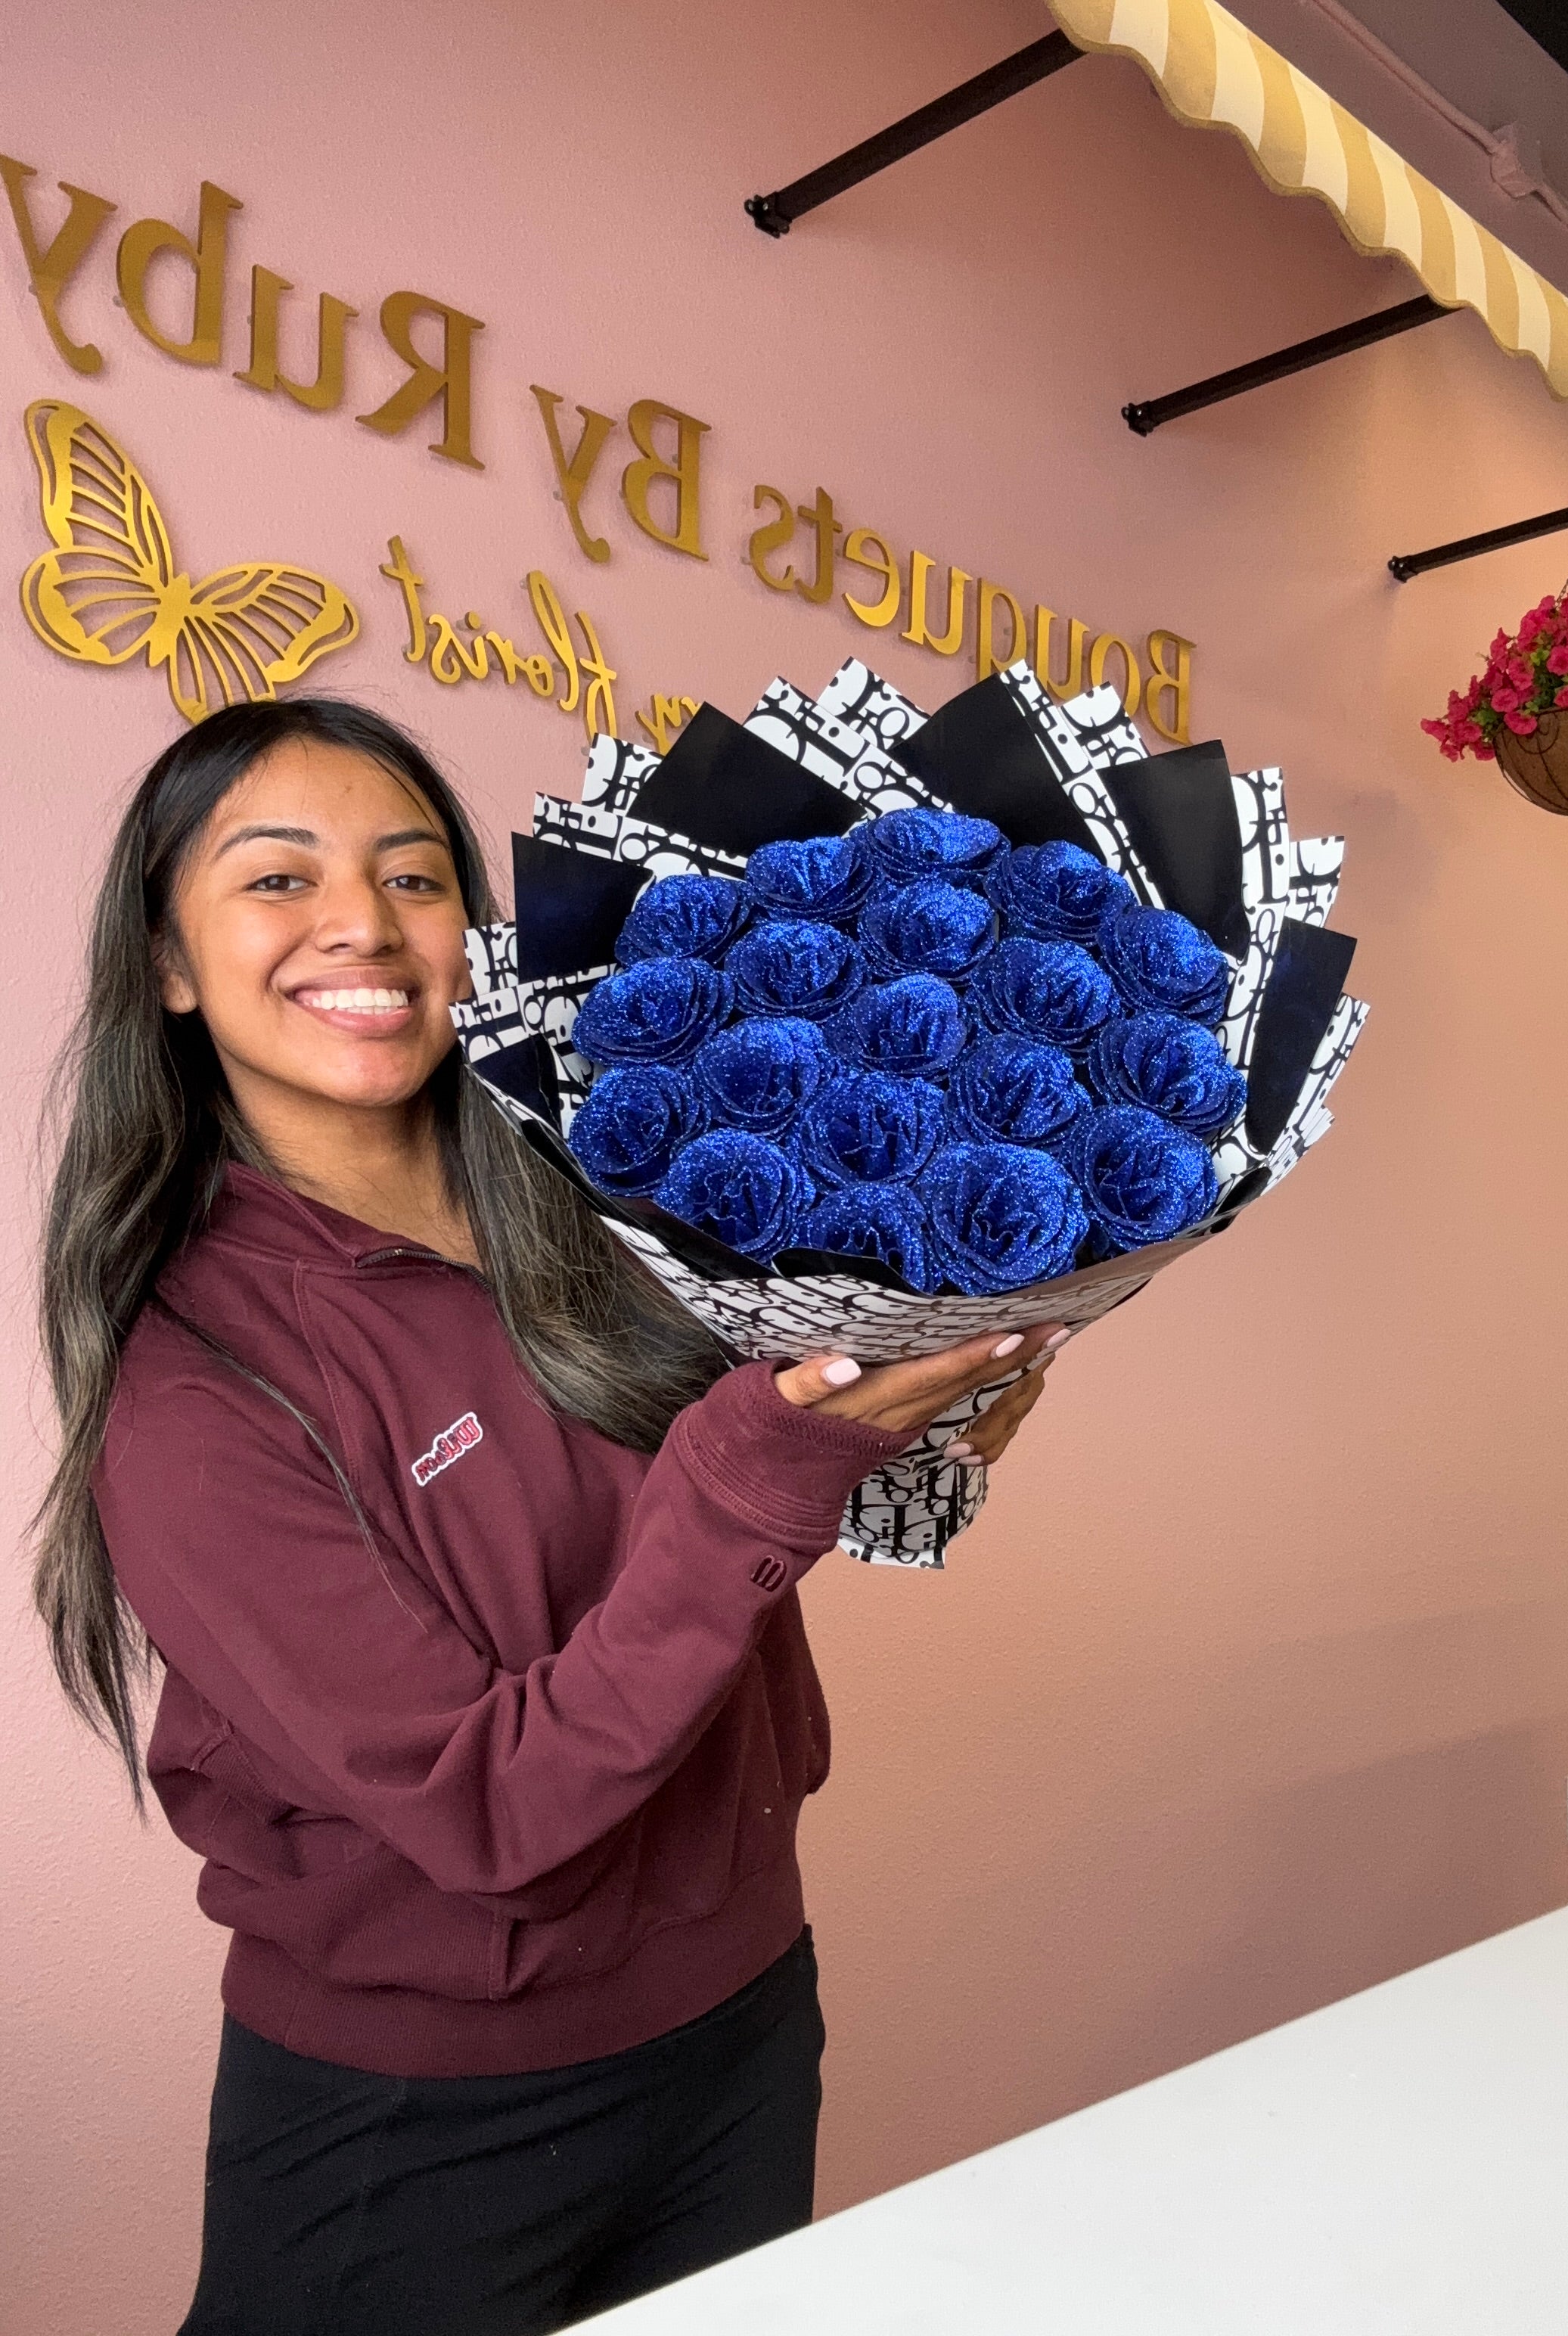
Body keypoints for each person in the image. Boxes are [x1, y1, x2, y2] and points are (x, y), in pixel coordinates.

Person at [31, 698, 1058, 2334]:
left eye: (415, 875)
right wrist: (761, 1464)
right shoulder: (195, 1389)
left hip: (740, 2009)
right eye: (276, 880)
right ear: (167, 959)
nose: (363, 923)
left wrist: (959, 1369)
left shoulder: (598, 1194)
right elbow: (486, 1807)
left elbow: (739, 1543)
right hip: (422, 2113)